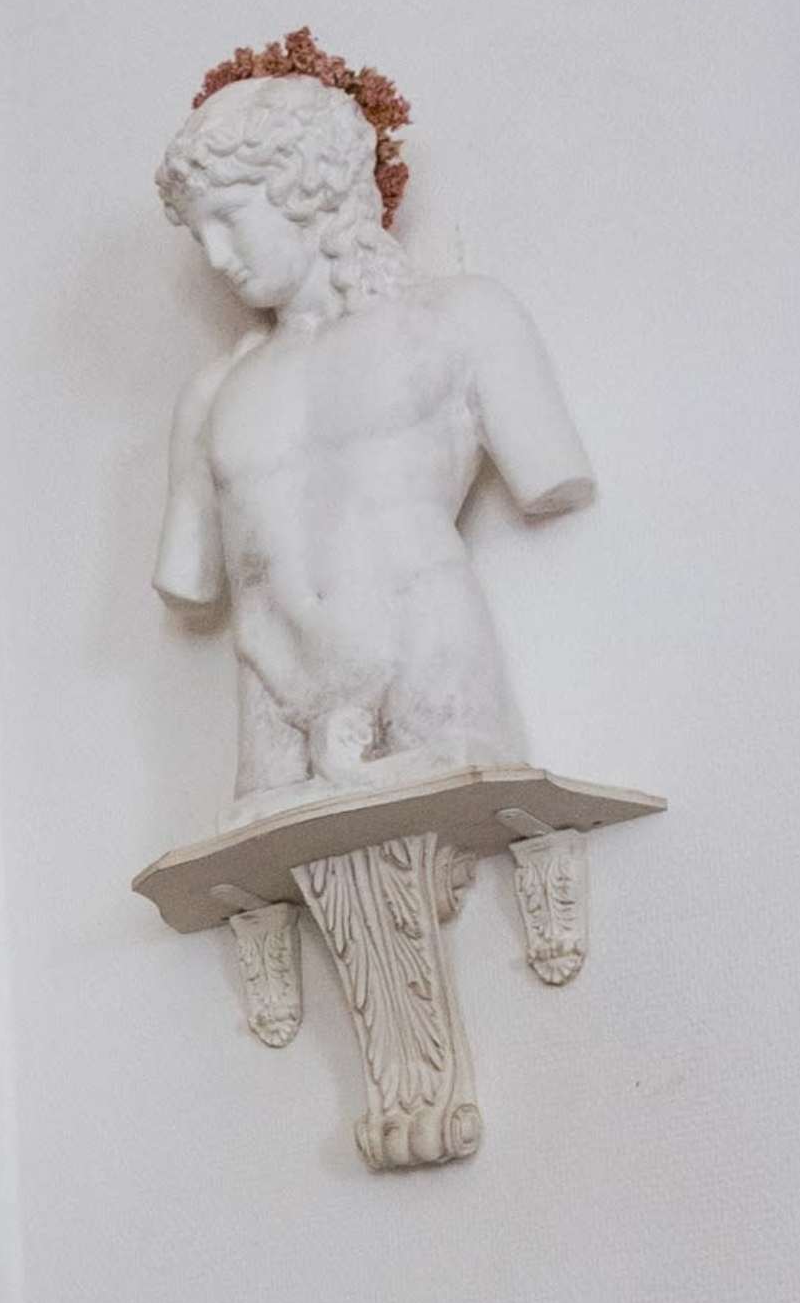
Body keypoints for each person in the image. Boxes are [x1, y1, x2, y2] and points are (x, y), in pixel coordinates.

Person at [154, 40, 593, 818]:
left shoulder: (462, 319)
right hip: (272, 701)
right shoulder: (214, 394)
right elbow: (190, 580)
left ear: (304, 186)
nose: (217, 258)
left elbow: (548, 471)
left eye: (228, 219)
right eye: (200, 237)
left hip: (427, 662)